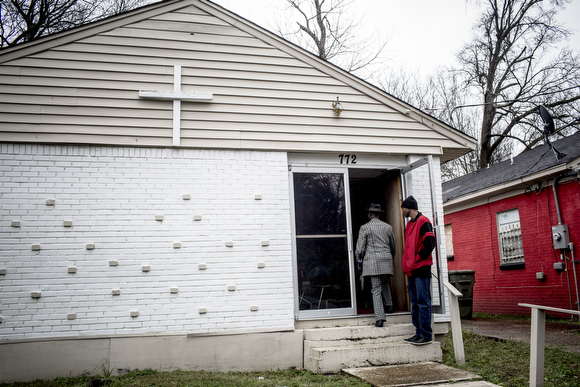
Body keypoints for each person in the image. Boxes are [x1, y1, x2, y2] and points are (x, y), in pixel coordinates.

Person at [401, 196, 436, 345]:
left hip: (421, 269)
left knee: (423, 302)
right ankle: (418, 332)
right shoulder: (409, 224)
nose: (402, 211)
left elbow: (430, 244)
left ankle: (426, 334)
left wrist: (416, 258)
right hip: (411, 270)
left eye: (403, 208)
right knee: (414, 303)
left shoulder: (424, 222)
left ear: (408, 207)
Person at [355, 203, 396, 327]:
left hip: (372, 261)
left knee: (376, 289)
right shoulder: (388, 227)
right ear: (379, 215)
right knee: (385, 282)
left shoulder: (365, 228)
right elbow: (393, 245)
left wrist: (359, 261)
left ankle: (380, 318)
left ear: (369, 214)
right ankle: (389, 306)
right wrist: (390, 258)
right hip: (386, 259)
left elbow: (360, 249)